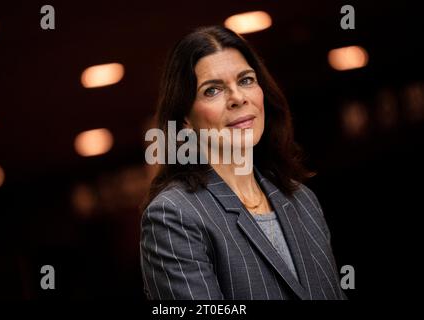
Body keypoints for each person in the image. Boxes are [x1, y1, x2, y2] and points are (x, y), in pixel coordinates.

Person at [139, 25, 346, 300]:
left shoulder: (302, 200)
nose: (238, 97)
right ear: (185, 119)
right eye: (212, 90)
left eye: (246, 80)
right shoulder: (173, 216)